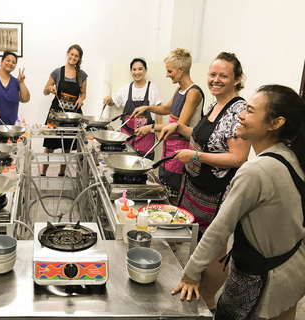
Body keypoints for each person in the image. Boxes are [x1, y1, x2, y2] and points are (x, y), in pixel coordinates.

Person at [172, 84, 305, 320]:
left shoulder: (256, 171)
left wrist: (190, 274)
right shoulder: (290, 156)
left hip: (264, 280)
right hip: (292, 271)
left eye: (250, 111)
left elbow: (220, 228)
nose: (240, 115)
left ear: (276, 123)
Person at [160, 52, 251, 311]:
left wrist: (196, 155)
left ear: (237, 79)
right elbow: (201, 135)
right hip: (195, 187)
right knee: (199, 243)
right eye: (213, 74)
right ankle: (195, 286)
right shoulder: (215, 104)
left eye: (223, 75)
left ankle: (209, 301)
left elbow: (238, 157)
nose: (216, 80)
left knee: (215, 249)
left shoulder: (238, 110)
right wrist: (178, 128)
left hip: (216, 194)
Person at [130, 49, 204, 204]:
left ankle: (175, 222)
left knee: (176, 192)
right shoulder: (180, 89)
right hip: (169, 146)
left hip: (183, 148)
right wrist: (147, 108)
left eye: (170, 71)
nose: (167, 75)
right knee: (167, 187)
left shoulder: (193, 92)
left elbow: (179, 126)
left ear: (181, 70)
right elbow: (166, 109)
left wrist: (150, 128)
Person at [41, 44, 87, 176]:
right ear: (67, 54)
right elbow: (44, 91)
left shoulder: (82, 75)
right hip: (55, 113)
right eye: (71, 54)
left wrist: (81, 99)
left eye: (76, 56)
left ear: (79, 59)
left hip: (73, 115)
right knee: (49, 145)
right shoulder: (57, 72)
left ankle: (62, 173)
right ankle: (43, 172)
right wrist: (49, 88)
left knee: (67, 146)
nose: (73, 57)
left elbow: (84, 93)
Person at [103, 57, 162, 159]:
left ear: (145, 70)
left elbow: (159, 110)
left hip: (146, 137)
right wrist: (109, 99)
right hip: (127, 135)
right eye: (134, 69)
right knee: (124, 163)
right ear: (131, 71)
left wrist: (159, 130)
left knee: (144, 165)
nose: (137, 72)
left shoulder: (153, 88)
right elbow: (114, 101)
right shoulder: (126, 89)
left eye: (140, 69)